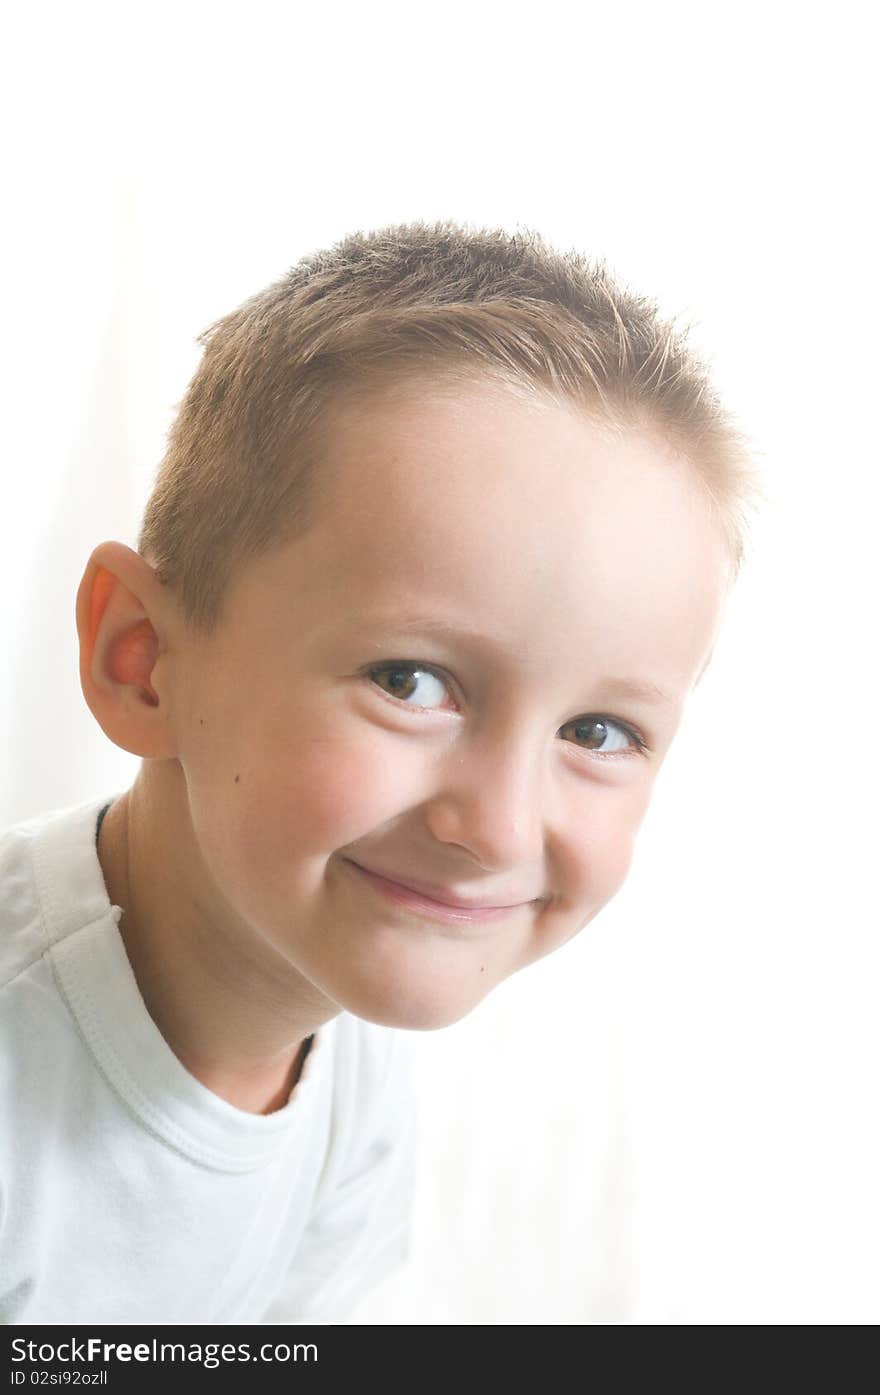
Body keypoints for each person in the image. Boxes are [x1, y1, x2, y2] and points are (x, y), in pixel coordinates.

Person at [0, 220, 762, 1324]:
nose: (496, 831)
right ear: (145, 662)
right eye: (409, 680)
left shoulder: (341, 1032)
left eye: (597, 732)